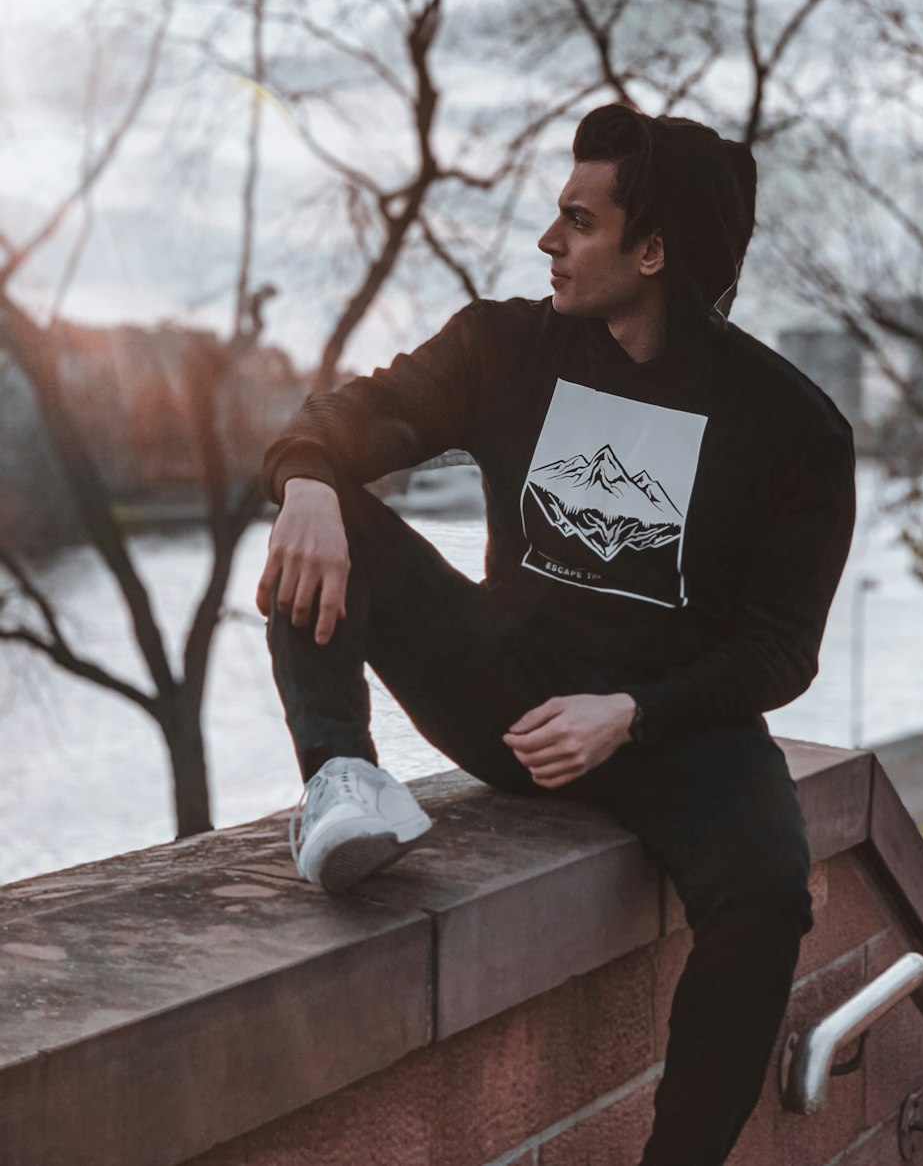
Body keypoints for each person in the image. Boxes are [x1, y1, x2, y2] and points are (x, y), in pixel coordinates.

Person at [255, 103, 856, 1166]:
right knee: (327, 504)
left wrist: (634, 712)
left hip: (672, 730)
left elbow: (781, 648)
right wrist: (305, 474)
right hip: (505, 694)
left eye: (578, 220)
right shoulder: (504, 346)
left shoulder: (793, 425)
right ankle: (340, 779)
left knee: (766, 895)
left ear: (655, 249)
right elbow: (352, 414)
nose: (548, 240)